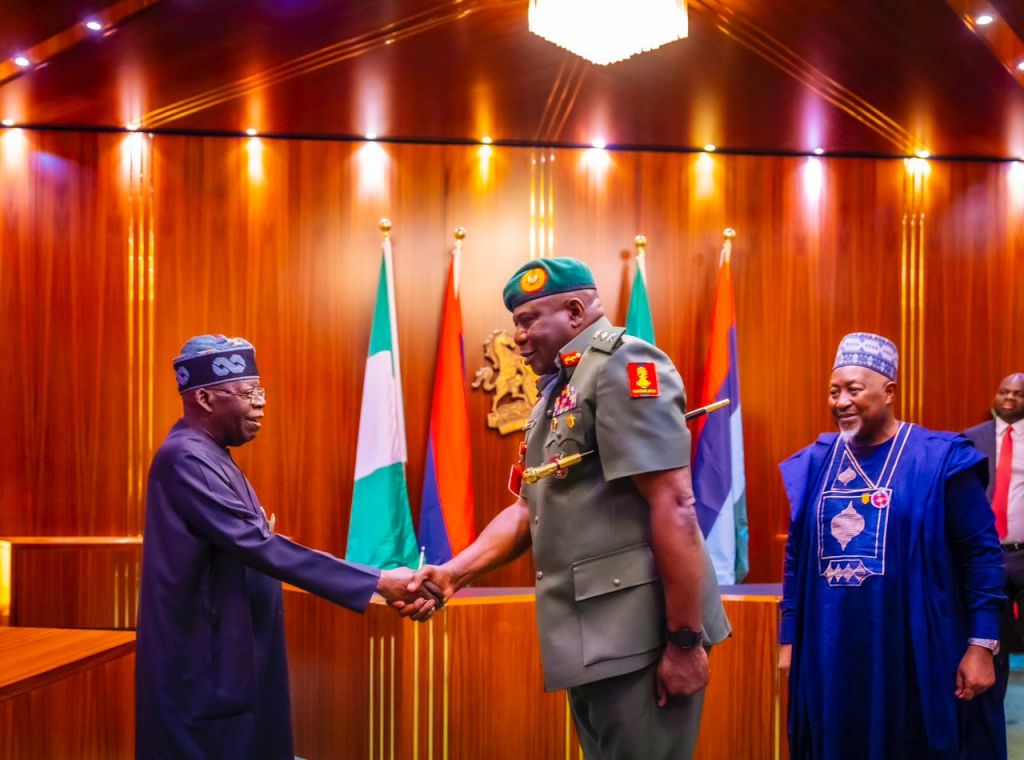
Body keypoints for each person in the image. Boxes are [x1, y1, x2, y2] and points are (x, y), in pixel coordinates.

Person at [396, 258, 731, 760]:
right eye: (515, 322)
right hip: (595, 638)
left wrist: (685, 642)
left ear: (575, 311)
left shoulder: (623, 364)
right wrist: (453, 574)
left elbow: (676, 505)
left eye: (529, 319)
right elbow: (529, 506)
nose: (518, 336)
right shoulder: (560, 389)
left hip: (643, 637)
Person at [136, 335, 437, 760]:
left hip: (233, 652)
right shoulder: (186, 458)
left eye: (261, 391)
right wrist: (380, 580)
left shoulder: (211, 454)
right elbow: (259, 546)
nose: (260, 404)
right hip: (204, 666)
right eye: (247, 393)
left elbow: (252, 544)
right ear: (203, 397)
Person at [778, 332, 1006, 759]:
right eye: (833, 391)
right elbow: (796, 560)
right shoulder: (815, 463)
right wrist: (790, 639)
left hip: (917, 648)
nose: (840, 401)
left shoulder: (941, 459)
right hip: (831, 650)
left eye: (853, 389)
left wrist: (982, 644)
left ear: (889, 392)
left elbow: (981, 555)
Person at [965, 373, 1024, 704]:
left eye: (1018, 394)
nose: (1010, 399)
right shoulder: (971, 439)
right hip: (987, 555)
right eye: (1004, 392)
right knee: (990, 640)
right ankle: (992, 710)